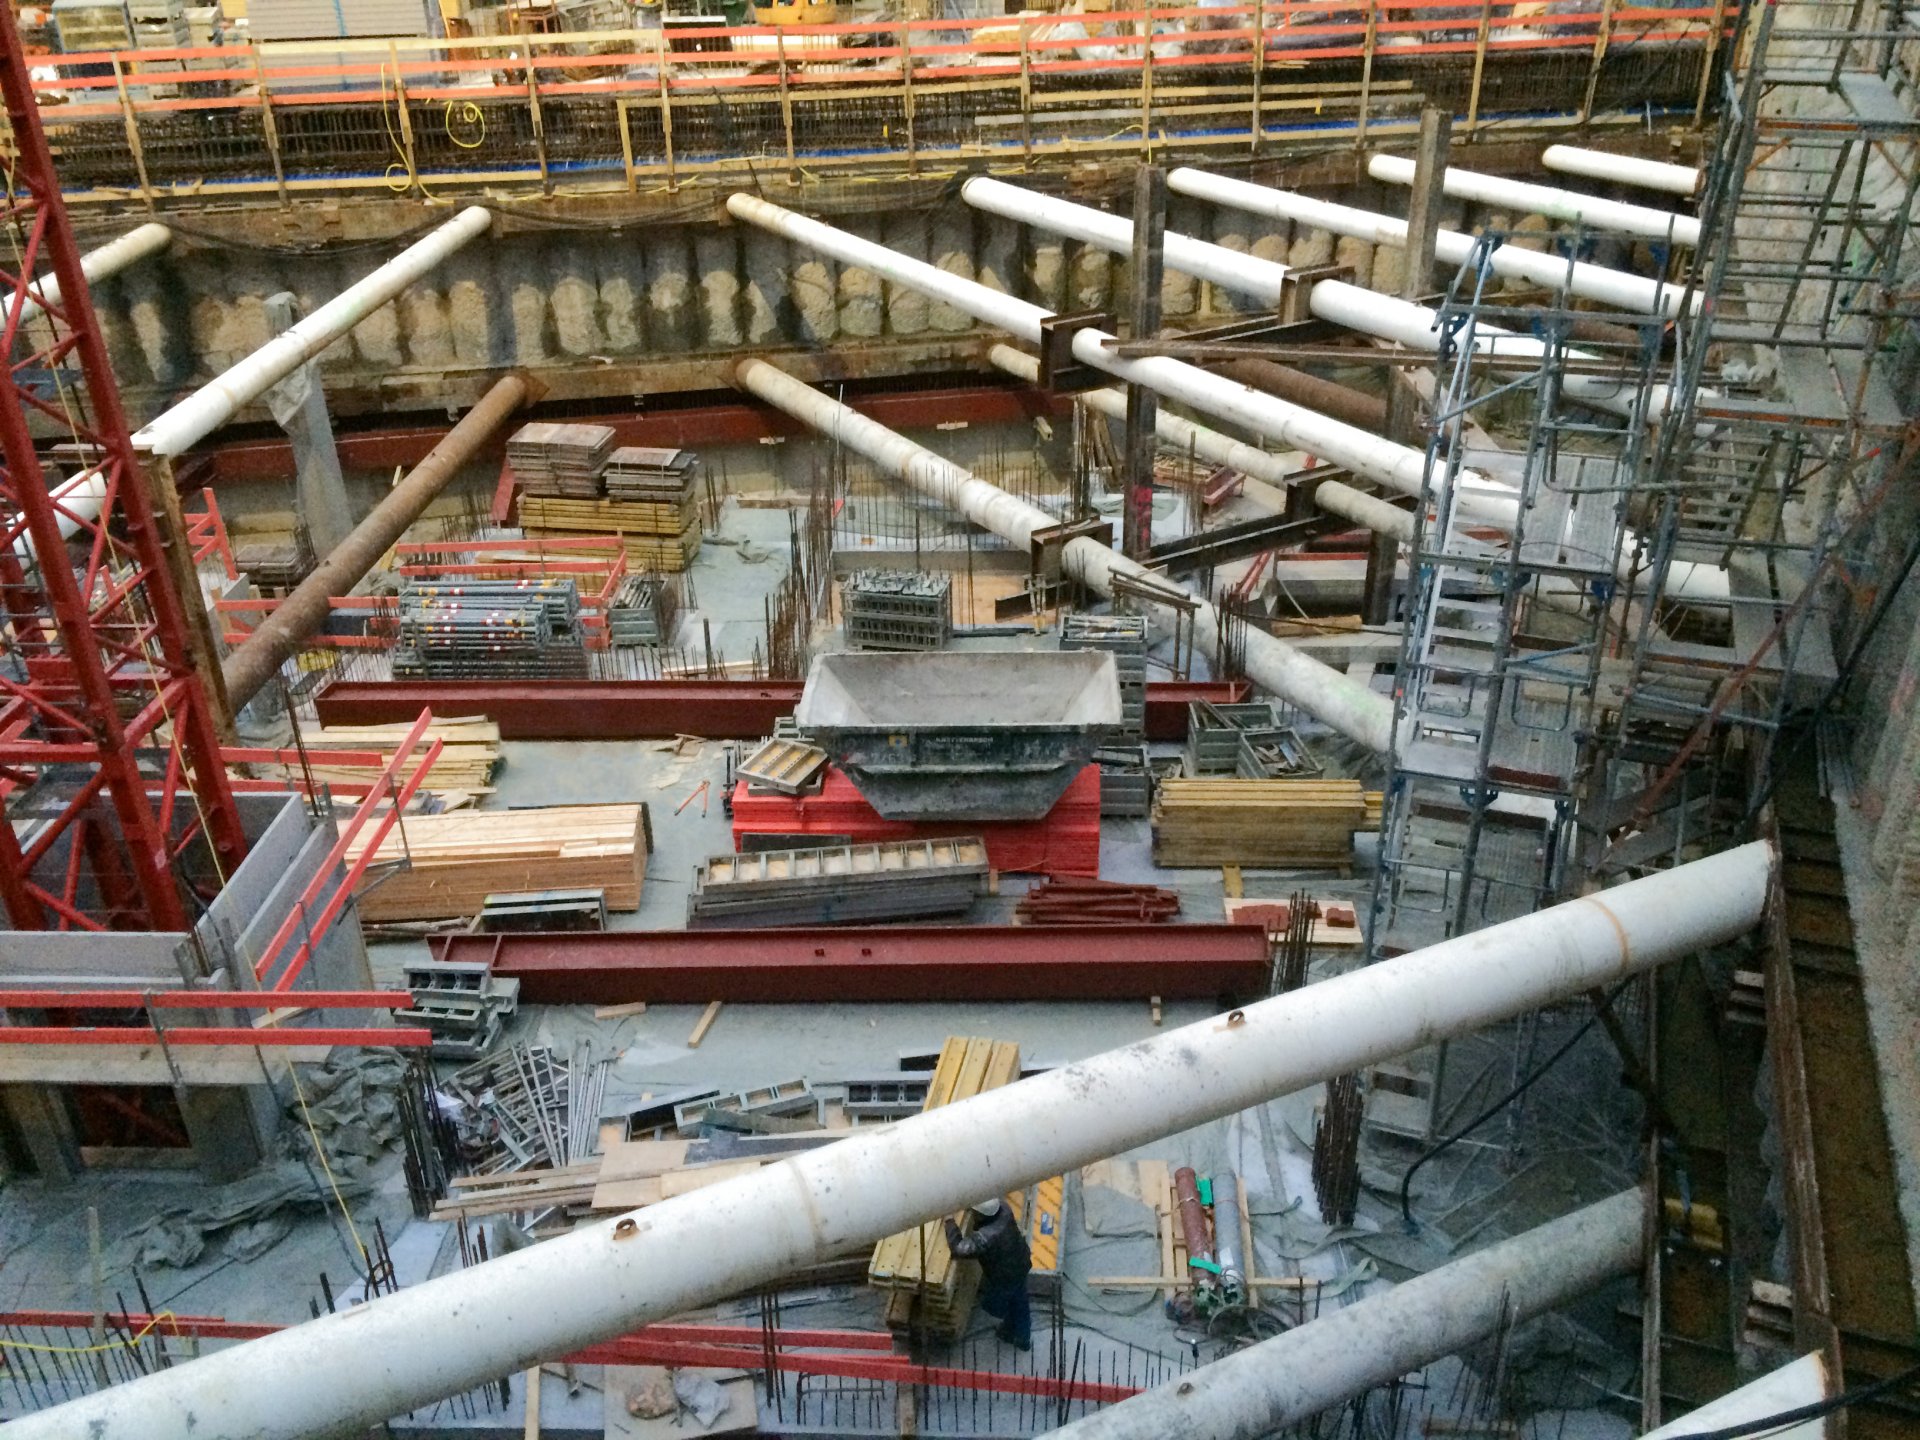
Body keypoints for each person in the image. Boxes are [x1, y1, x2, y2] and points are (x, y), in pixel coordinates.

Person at [944, 1197, 1032, 1351]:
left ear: (982, 1215)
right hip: (1021, 1261)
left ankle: (1013, 1330)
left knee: (994, 1305)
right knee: (1020, 1301)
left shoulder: (987, 1236)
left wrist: (949, 1222)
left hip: (1005, 1276)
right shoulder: (1004, 1208)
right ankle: (1020, 1336)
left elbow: (959, 1249)